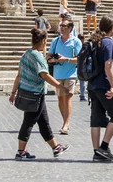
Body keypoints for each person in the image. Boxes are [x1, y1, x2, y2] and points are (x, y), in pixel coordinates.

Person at [8, 29, 71, 160]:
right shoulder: (37, 56)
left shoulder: (26, 54)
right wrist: (60, 86)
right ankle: (20, 151)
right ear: (43, 41)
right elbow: (44, 75)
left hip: (28, 93)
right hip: (35, 94)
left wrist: (13, 93)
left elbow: (19, 75)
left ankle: (56, 148)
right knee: (28, 123)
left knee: (43, 122)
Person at [88, 16, 113, 161]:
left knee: (96, 119)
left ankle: (96, 151)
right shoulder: (108, 42)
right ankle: (104, 147)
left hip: (93, 85)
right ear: (112, 28)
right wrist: (112, 85)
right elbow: (108, 65)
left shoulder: (95, 41)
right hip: (105, 85)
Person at [47, 20, 82, 134]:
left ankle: (66, 124)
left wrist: (66, 59)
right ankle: (65, 121)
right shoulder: (55, 41)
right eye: (60, 25)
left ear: (70, 28)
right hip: (58, 74)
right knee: (60, 99)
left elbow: (80, 59)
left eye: (64, 26)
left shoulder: (76, 42)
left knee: (67, 98)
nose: (61, 28)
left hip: (71, 74)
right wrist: (50, 59)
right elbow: (49, 55)